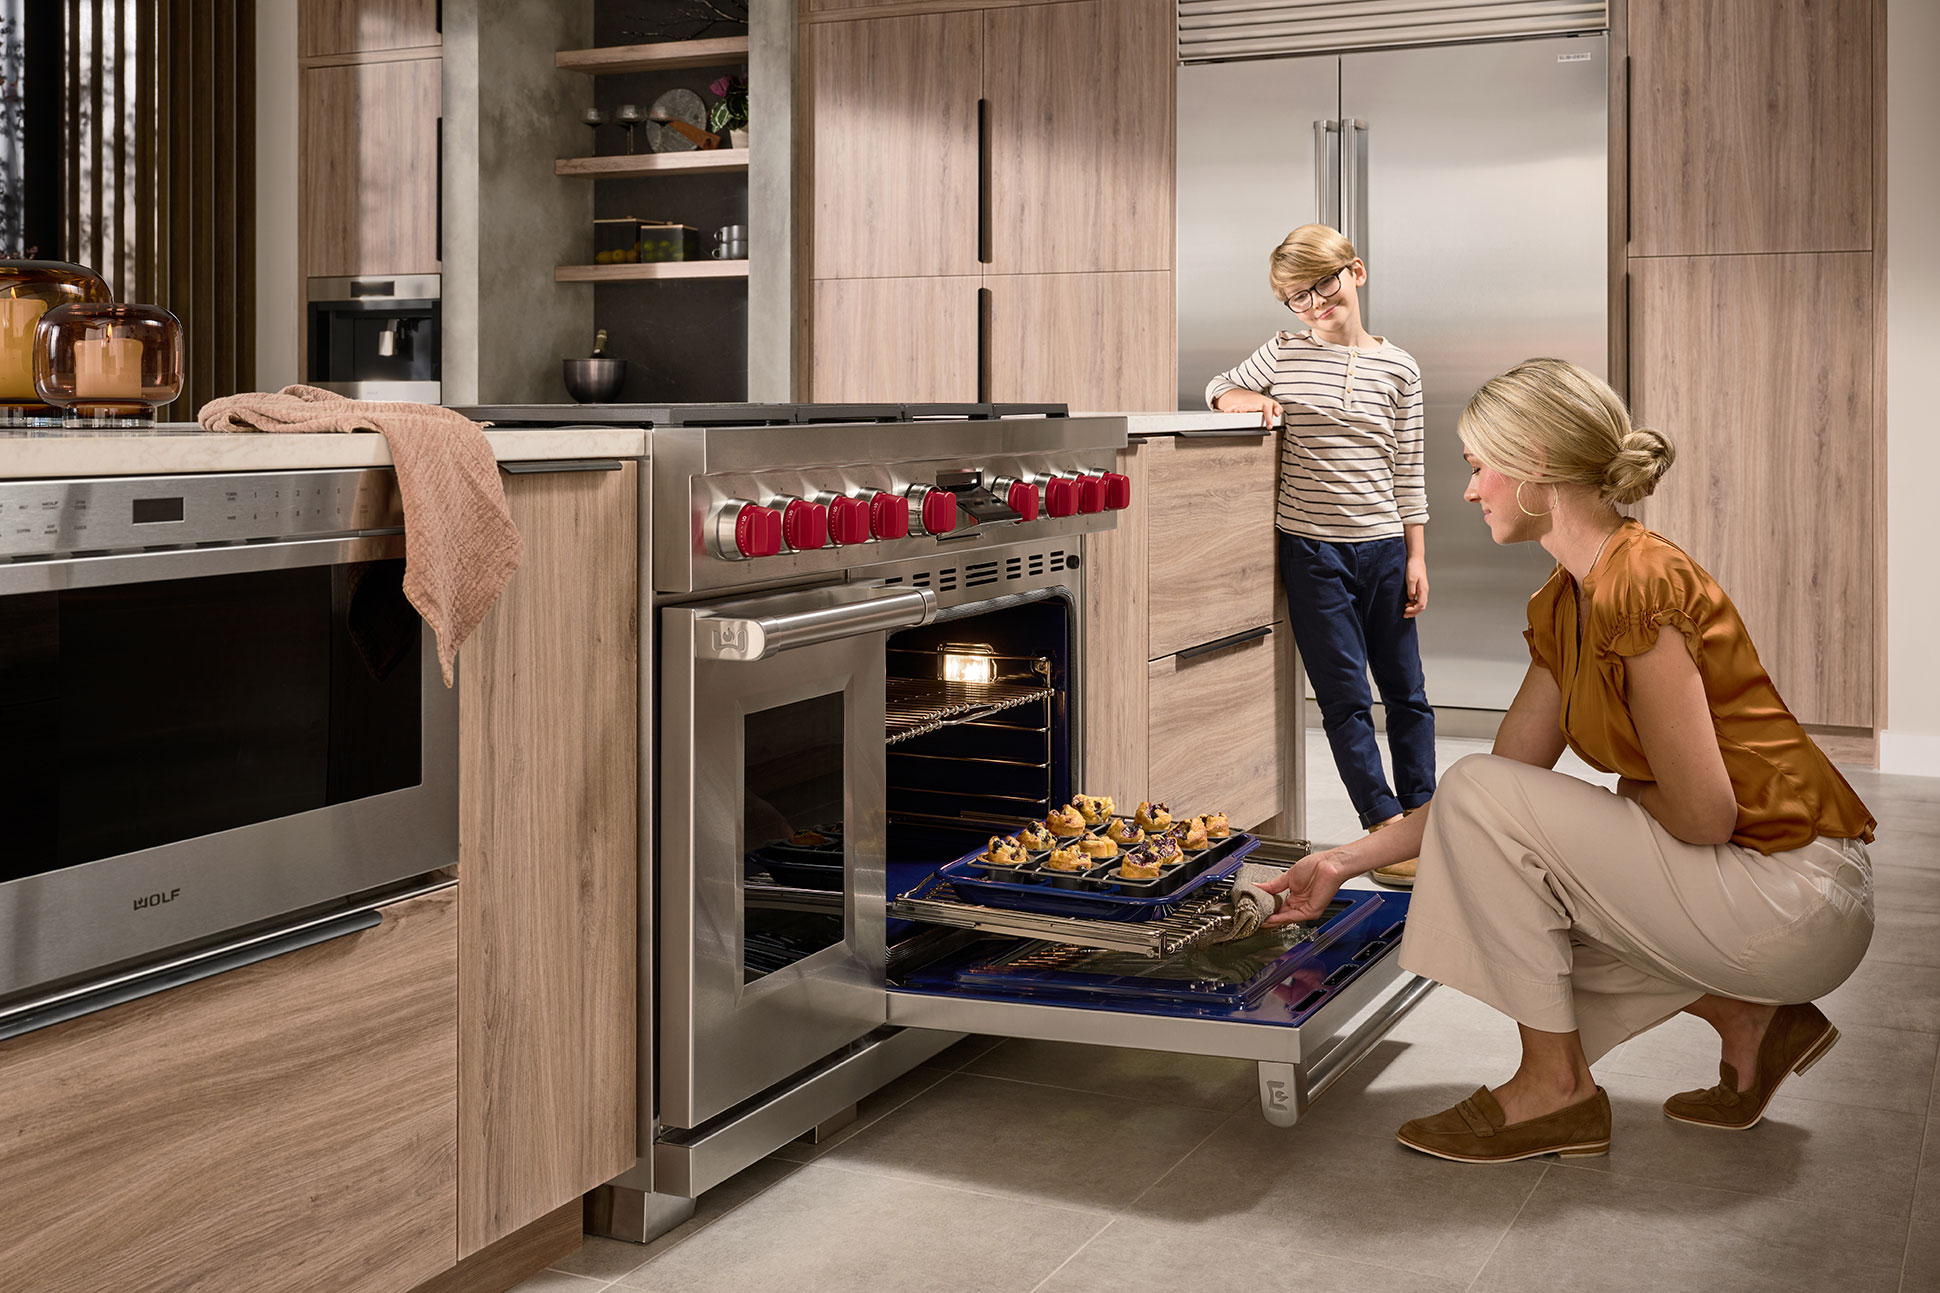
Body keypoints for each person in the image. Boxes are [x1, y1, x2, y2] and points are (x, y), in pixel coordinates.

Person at [1260, 357, 1877, 1163]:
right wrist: (1340, 861)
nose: (1471, 491)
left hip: (1800, 892)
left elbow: (1703, 814)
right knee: (1500, 857)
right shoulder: (1567, 598)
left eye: (1480, 466)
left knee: (1503, 826)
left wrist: (1608, 820)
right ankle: (1750, 1017)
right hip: (1755, 888)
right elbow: (1487, 802)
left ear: (1537, 464)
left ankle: (1556, 1089)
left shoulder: (1639, 582)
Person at [1205, 224, 1433, 886]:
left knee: (1407, 691)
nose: (1314, 305)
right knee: (1344, 695)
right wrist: (1250, 399)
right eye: (1297, 297)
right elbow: (1218, 387)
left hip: (1384, 547)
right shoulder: (1283, 352)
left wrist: (1416, 557)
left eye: (1323, 286)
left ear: (1355, 272)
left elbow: (1409, 469)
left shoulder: (1400, 367)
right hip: (1311, 551)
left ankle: (1425, 814)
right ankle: (1384, 826)